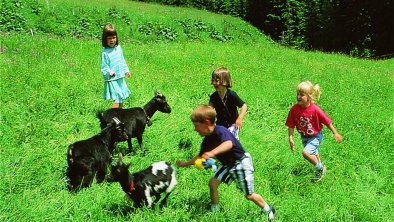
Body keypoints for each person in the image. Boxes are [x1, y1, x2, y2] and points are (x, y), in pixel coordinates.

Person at [176, 105, 276, 221]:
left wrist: (212, 153)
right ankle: (215, 210)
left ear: (207, 122)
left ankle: (269, 210)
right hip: (228, 165)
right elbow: (199, 156)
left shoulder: (220, 130)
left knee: (249, 195)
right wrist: (184, 164)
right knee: (212, 184)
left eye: (196, 126)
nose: (195, 129)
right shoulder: (207, 140)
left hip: (240, 163)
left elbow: (228, 144)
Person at [285, 81, 343, 182]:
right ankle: (319, 170)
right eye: (297, 94)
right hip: (304, 136)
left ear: (309, 97)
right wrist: (290, 137)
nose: (298, 96)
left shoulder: (315, 109)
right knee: (314, 153)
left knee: (306, 153)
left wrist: (335, 132)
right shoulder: (294, 109)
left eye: (302, 95)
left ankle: (320, 168)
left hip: (316, 136)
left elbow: (327, 121)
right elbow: (291, 124)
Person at [209, 67, 247, 140]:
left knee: (231, 142)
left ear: (225, 81)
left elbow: (244, 106)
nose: (214, 83)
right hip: (220, 125)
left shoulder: (232, 95)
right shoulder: (213, 97)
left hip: (233, 124)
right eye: (213, 80)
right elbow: (209, 110)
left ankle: (239, 151)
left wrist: (240, 118)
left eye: (217, 81)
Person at [100, 24, 131, 108]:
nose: (112, 40)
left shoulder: (118, 48)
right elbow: (104, 66)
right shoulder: (105, 52)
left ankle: (119, 115)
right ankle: (113, 116)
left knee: (121, 97)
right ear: (105, 39)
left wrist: (126, 70)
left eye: (114, 37)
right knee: (117, 97)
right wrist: (109, 72)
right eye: (109, 38)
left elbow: (122, 60)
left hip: (120, 76)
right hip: (113, 78)